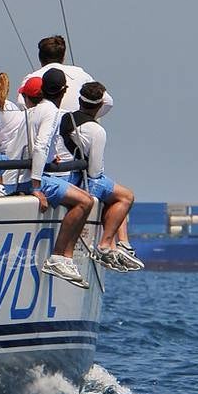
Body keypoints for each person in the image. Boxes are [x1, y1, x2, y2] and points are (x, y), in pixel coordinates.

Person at [61, 82, 142, 270]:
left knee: (112, 192)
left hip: (67, 175)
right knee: (126, 196)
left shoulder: (66, 118)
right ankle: (106, 245)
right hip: (83, 181)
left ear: (79, 100)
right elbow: (95, 172)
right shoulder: (96, 130)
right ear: (100, 105)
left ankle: (118, 245)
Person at [27, 69, 96, 288]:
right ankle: (59, 257)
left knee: (84, 198)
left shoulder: (34, 110)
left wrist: (49, 158)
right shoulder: (54, 113)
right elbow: (39, 145)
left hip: (35, 171)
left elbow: (35, 145)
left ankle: (65, 258)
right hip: (37, 179)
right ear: (64, 91)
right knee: (86, 201)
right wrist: (36, 186)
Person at [19, 34, 113, 117]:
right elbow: (108, 102)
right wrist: (86, 118)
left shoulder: (31, 79)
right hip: (77, 131)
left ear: (40, 57)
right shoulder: (81, 74)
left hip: (43, 132)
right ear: (63, 57)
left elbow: (21, 104)